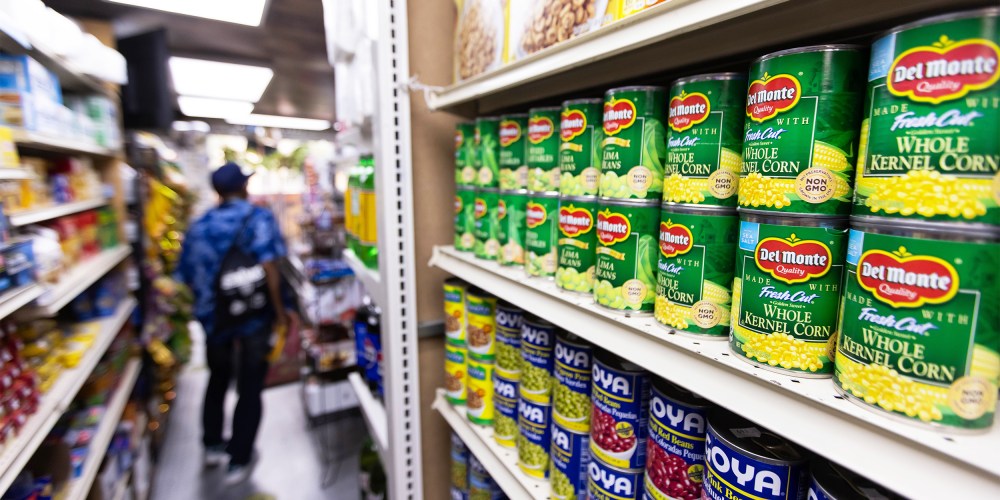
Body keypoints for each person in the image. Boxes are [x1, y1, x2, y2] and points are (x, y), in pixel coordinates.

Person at [176, 161, 290, 484]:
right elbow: (271, 268)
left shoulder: (198, 226)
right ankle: (239, 459)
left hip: (215, 322)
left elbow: (185, 277)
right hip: (253, 317)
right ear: (242, 187)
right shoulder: (258, 218)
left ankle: (212, 444)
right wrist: (281, 313)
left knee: (217, 378)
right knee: (250, 386)